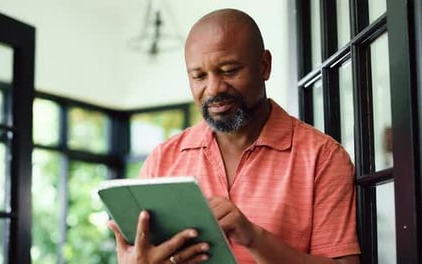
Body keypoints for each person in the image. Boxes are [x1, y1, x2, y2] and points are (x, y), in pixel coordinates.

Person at [108, 8, 361, 264]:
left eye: (229, 70)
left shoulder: (323, 157)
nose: (214, 88)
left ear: (264, 66)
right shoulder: (163, 159)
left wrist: (254, 238)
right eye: (199, 76)